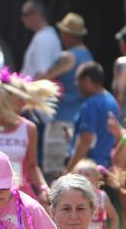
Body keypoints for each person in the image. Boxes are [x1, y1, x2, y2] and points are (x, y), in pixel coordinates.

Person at [0, 71, 57, 200]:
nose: (24, 102)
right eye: (19, 98)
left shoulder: (29, 128)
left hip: (19, 193)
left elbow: (32, 166)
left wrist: (43, 187)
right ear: (5, 97)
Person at [39, 12, 93, 177]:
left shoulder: (67, 57)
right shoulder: (88, 55)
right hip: (78, 118)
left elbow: (44, 77)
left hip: (61, 119)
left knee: (55, 169)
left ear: (68, 34)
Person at [69, 61, 120, 170]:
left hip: (87, 169)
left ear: (87, 80)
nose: (76, 85)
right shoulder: (113, 102)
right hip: (105, 166)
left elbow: (86, 140)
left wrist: (70, 169)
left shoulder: (91, 104)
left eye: (78, 80)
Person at [19, 0, 62, 80]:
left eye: (25, 14)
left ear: (35, 14)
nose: (22, 18)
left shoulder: (43, 38)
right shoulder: (47, 35)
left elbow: (43, 74)